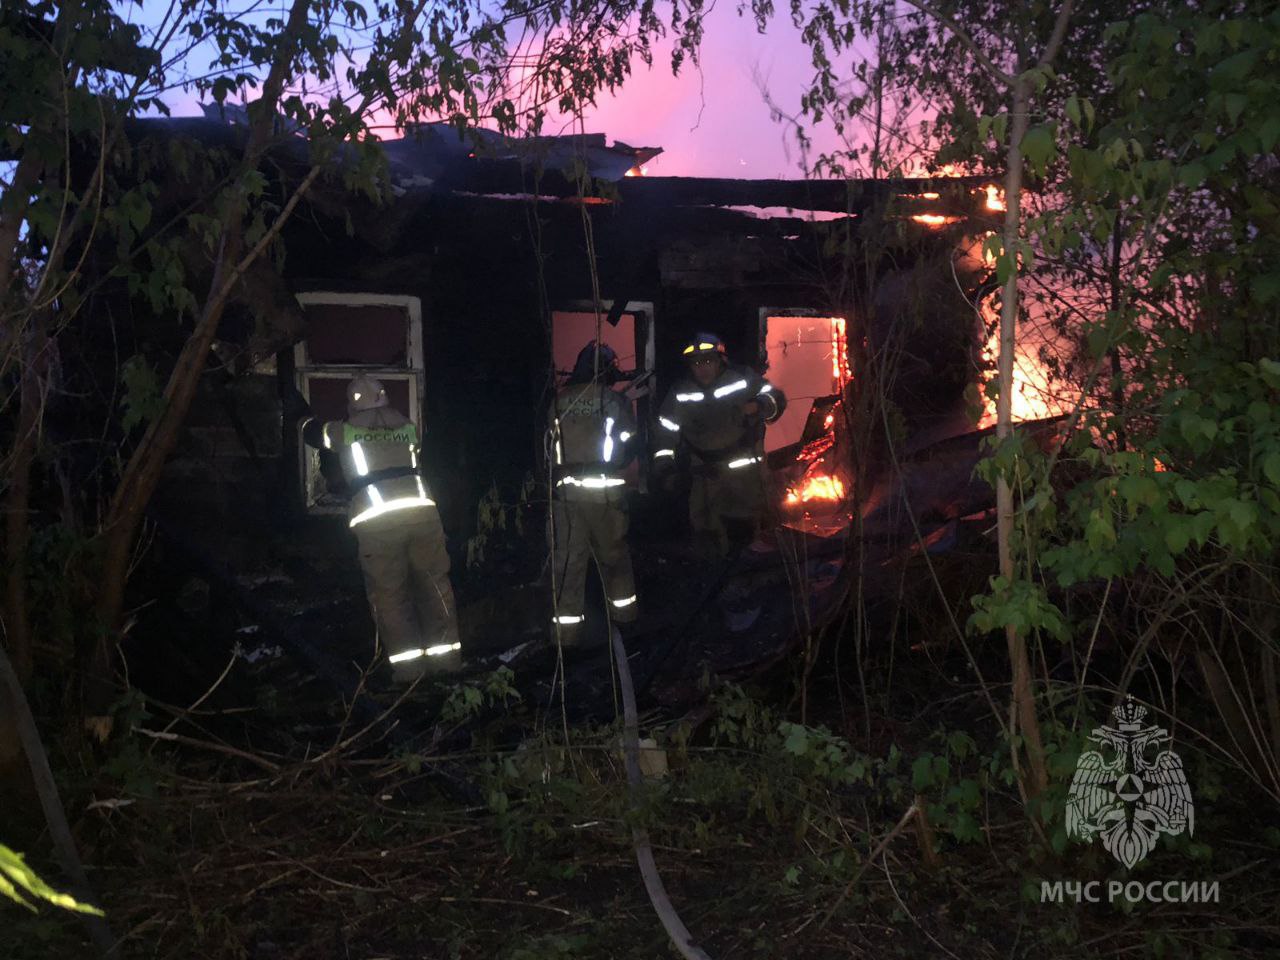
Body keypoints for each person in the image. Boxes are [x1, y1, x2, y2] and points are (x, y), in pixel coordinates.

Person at [298, 376, 462, 683]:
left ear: (353, 403)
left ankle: (409, 672)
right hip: (423, 513)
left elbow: (313, 434)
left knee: (390, 597)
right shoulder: (408, 427)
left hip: (378, 520)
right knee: (435, 587)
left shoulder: (344, 431)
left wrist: (301, 413)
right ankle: (448, 665)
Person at [652, 332, 786, 557]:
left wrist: (759, 405)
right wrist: (665, 470)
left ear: (720, 361)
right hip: (705, 475)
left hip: (746, 474)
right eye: (696, 363)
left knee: (750, 531)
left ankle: (751, 579)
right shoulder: (680, 393)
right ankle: (714, 581)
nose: (702, 367)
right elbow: (664, 434)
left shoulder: (742, 379)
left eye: (707, 361)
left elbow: (775, 398)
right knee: (707, 534)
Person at [545, 341, 639, 648]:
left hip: (567, 498)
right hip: (605, 497)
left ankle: (565, 638)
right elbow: (629, 443)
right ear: (608, 370)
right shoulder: (614, 401)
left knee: (568, 564)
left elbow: (548, 448)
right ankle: (624, 622)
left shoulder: (560, 402)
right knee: (614, 560)